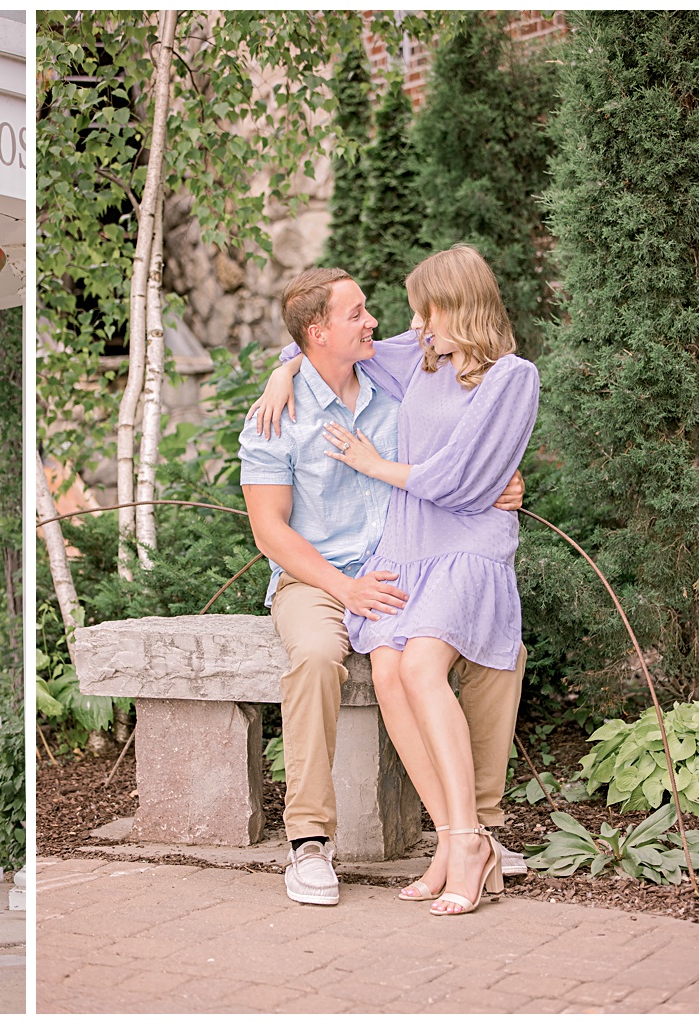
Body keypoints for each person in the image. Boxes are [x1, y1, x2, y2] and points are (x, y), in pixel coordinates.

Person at [254, 245, 540, 916]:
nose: (388, 324)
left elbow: (463, 457)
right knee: (358, 664)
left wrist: (502, 481)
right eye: (361, 313)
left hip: (425, 551)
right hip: (360, 567)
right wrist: (283, 371)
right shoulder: (298, 406)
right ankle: (332, 841)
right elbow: (272, 529)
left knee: (457, 661)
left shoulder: (433, 374)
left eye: (415, 312)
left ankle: (470, 834)